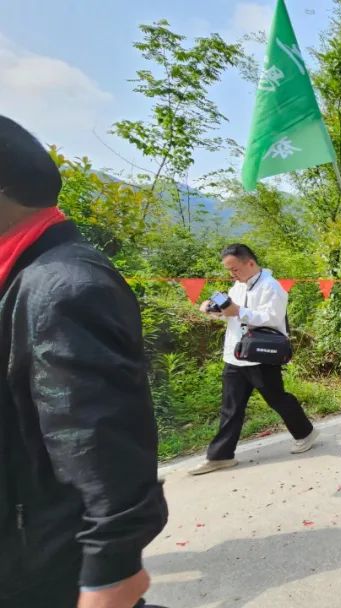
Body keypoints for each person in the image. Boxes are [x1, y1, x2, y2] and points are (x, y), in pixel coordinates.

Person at [0, 115, 168, 607]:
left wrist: (110, 573)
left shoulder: (63, 287)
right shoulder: (22, 276)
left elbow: (99, 440)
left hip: (44, 567)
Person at [190, 244, 318, 475]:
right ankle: (220, 456)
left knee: (277, 398)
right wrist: (213, 309)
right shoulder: (237, 286)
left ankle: (305, 432)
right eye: (229, 270)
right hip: (235, 355)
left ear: (250, 263)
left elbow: (271, 318)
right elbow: (230, 312)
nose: (232, 274)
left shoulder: (272, 287)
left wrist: (238, 311)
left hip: (260, 355)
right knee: (231, 407)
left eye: (235, 269)